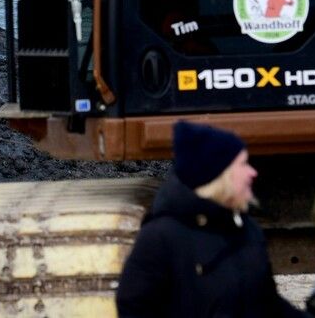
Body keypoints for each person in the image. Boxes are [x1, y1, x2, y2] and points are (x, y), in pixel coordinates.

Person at [115, 120, 303, 317]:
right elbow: (133, 307)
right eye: (243, 164)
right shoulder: (159, 238)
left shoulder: (247, 230)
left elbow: (269, 305)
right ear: (220, 176)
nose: (252, 172)